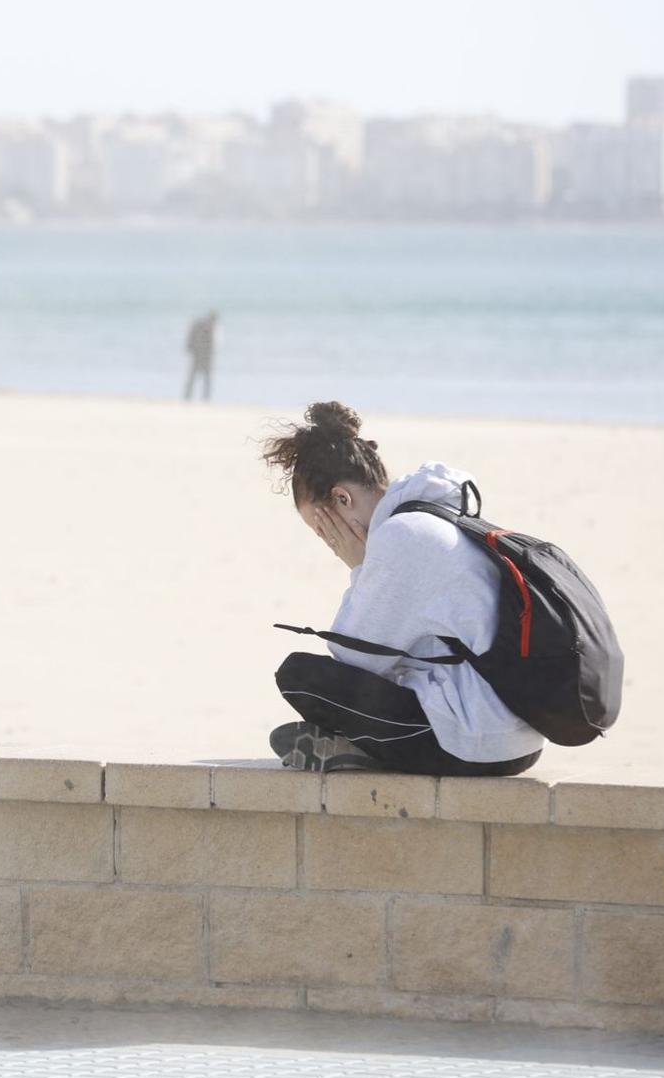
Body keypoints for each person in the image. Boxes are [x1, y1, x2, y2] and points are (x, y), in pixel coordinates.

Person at [260, 401, 543, 776]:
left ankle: (361, 751)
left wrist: (360, 567)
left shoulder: (401, 536)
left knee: (301, 677)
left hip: (477, 743)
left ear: (342, 499)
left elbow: (355, 657)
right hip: (519, 737)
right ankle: (358, 747)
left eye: (323, 528)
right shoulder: (437, 516)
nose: (328, 541)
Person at [183, 310, 217, 402]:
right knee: (205, 378)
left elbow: (191, 340)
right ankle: (205, 398)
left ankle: (188, 396)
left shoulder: (198, 324)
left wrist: (190, 349)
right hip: (202, 355)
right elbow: (211, 344)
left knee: (193, 377)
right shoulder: (208, 327)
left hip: (197, 354)